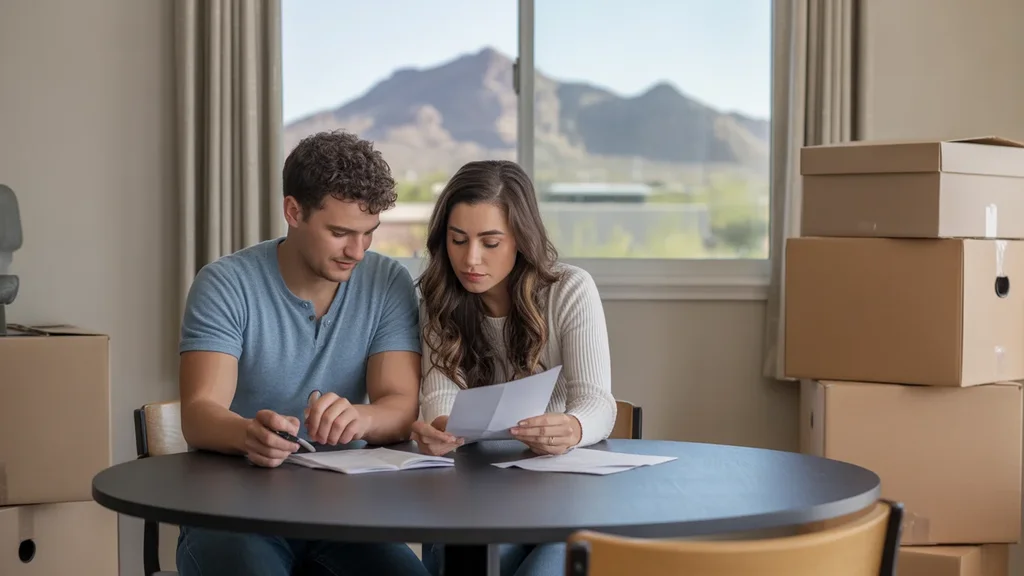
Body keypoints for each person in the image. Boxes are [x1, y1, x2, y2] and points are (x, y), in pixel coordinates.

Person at [175, 130, 431, 576]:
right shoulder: (225, 285)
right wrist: (247, 434)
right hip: (233, 510)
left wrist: (361, 417)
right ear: (293, 212)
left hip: (342, 513)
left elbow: (400, 404)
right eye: (339, 233)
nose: (357, 251)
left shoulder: (388, 282)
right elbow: (199, 413)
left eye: (368, 234)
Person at [411, 160, 617, 576]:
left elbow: (597, 401)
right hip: (472, 495)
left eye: (490, 242)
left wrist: (573, 427)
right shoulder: (438, 297)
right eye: (457, 239)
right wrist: (441, 426)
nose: (470, 259)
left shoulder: (569, 289)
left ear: (521, 239)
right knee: (461, 560)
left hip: (560, 495)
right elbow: (440, 394)